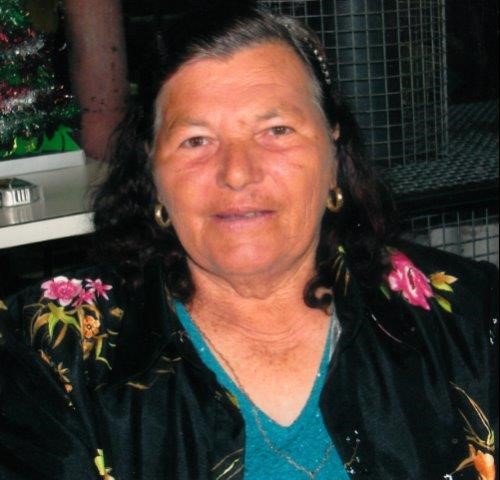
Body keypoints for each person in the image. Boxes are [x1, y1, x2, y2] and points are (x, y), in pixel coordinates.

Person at [0, 5, 497, 480]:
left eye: (276, 130)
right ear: (153, 173)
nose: (237, 173)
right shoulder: (46, 357)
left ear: (333, 156)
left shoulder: (470, 320)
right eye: (196, 140)